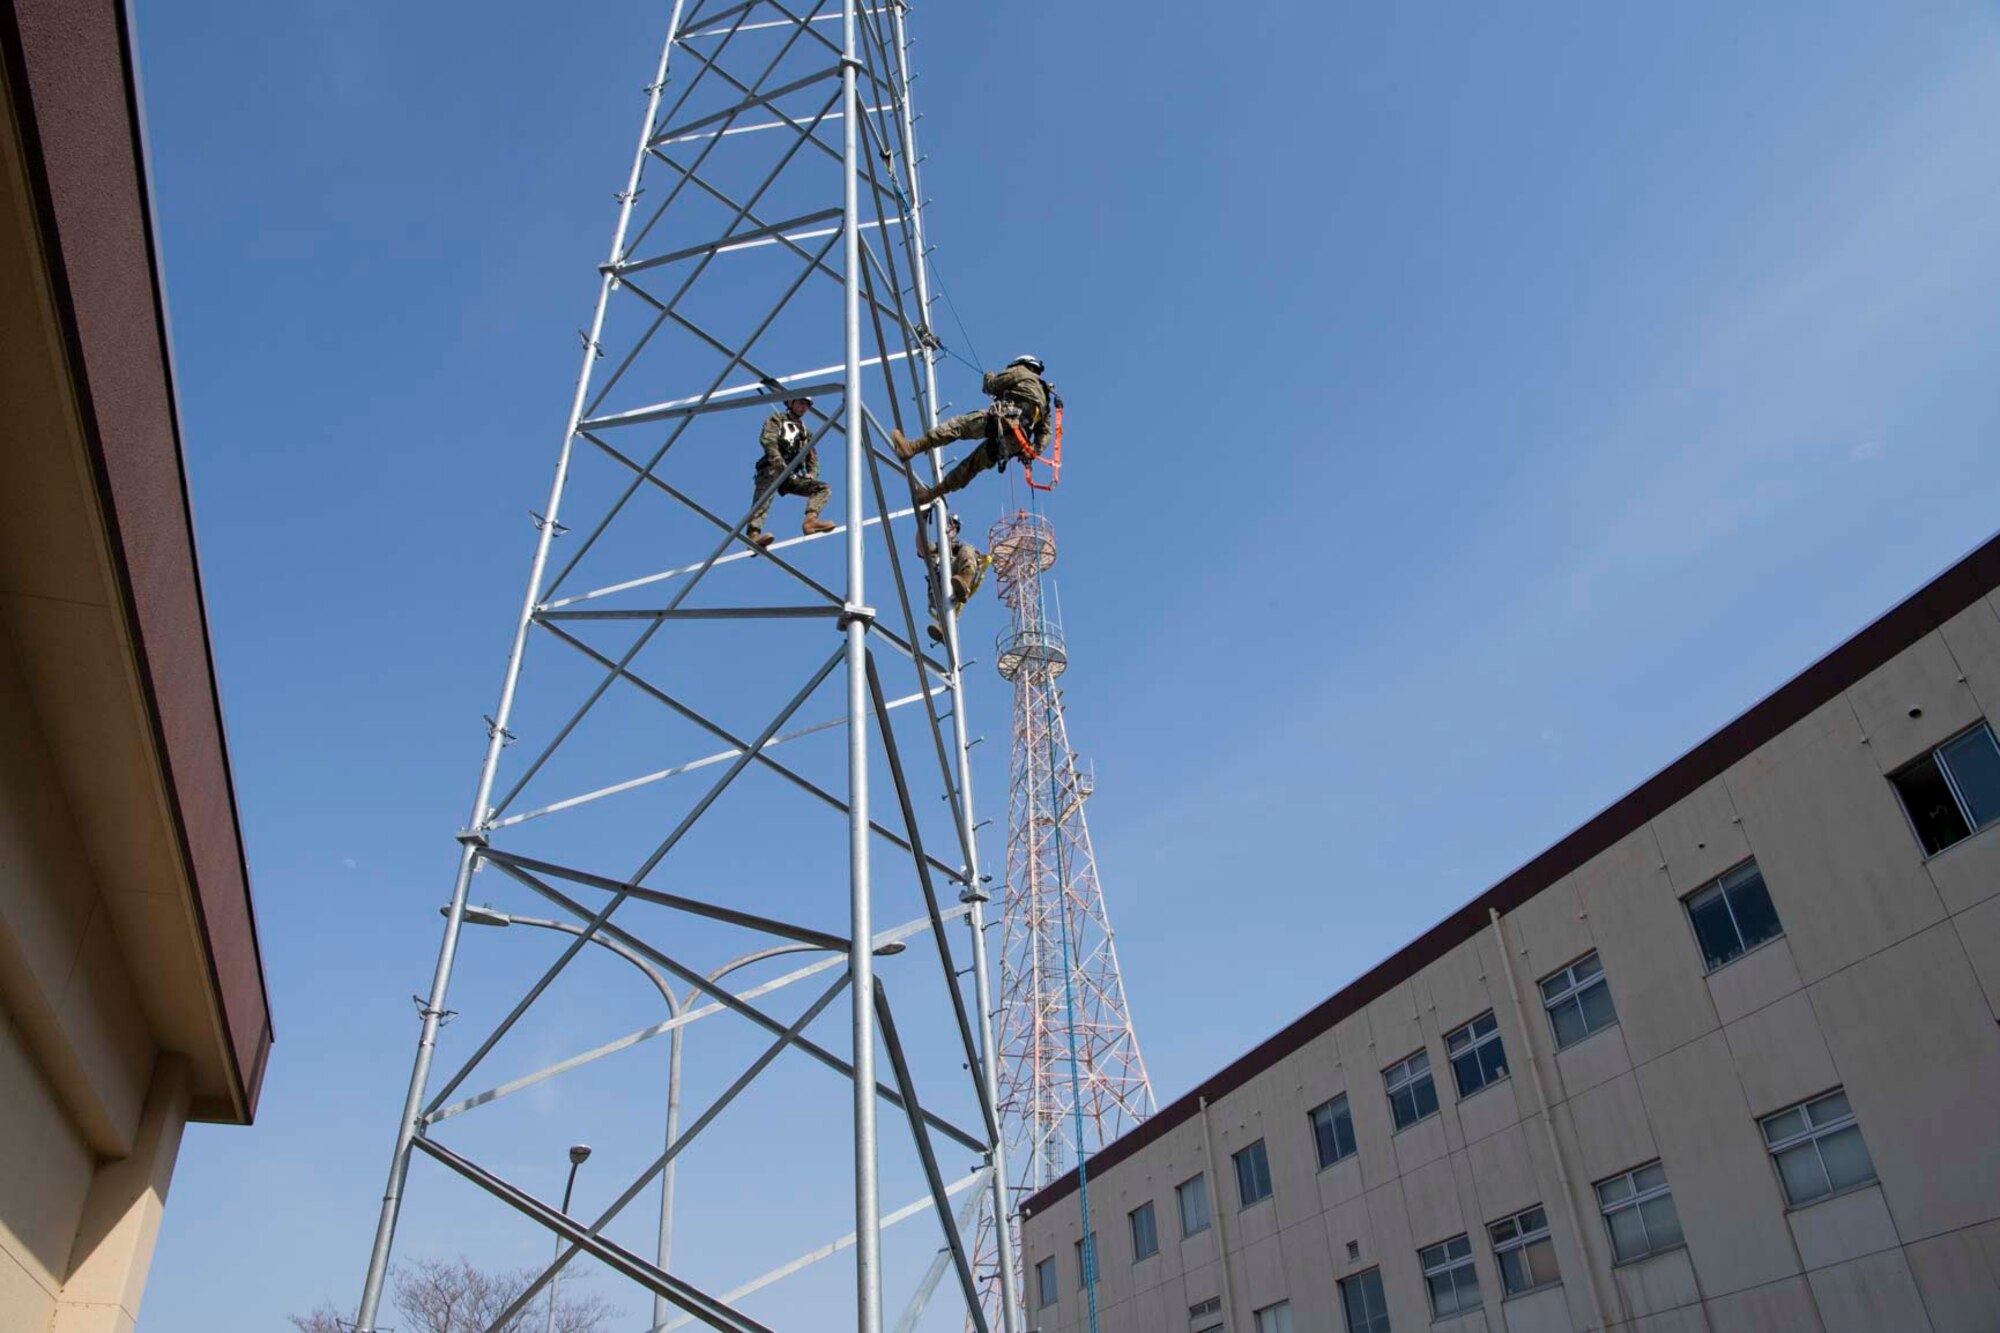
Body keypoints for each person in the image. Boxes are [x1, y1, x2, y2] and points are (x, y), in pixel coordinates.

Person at [890, 355, 1053, 507]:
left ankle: (912, 448)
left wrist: (989, 376)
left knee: (958, 426)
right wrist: (1031, 451)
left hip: (1004, 419)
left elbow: (991, 386)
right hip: (1017, 441)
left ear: (1022, 364)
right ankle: (931, 494)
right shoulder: (1045, 398)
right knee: (971, 466)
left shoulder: (1021, 372)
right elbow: (1045, 433)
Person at [747, 394, 836, 547]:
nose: (803, 408)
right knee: (764, 498)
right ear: (791, 403)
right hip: (772, 468)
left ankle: (810, 521)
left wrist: (811, 474)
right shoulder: (778, 419)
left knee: (822, 488)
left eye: (806, 405)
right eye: (801, 403)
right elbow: (768, 440)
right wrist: (777, 459)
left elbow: (812, 458)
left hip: (791, 475)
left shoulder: (805, 433)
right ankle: (753, 535)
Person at [915, 513, 987, 645]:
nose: (951, 527)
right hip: (939, 588)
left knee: (967, 551)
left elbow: (974, 560)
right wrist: (923, 520)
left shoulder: (962, 549)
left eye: (954, 525)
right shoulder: (936, 550)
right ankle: (943, 626)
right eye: (949, 523)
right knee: (940, 564)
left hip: (957, 583)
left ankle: (963, 583)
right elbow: (921, 547)